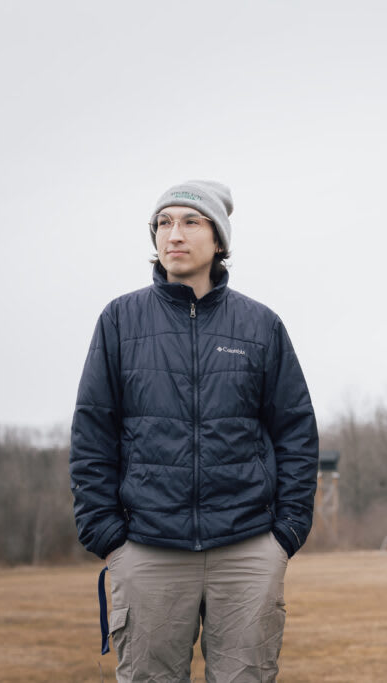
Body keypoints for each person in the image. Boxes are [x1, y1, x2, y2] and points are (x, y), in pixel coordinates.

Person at [69, 180, 318, 682]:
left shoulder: (261, 325)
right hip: (147, 546)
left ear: (219, 240)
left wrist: (286, 533)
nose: (173, 234)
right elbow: (92, 432)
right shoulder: (119, 320)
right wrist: (108, 535)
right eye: (163, 223)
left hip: (247, 547)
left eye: (190, 222)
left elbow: (295, 431)